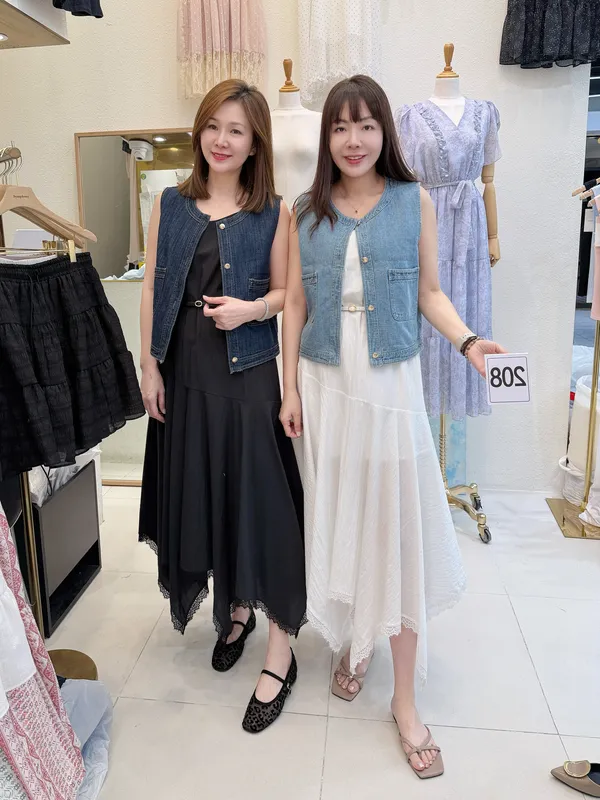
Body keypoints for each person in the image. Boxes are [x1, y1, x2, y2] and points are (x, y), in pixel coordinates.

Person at [280, 75, 506, 778]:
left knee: (398, 528)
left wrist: (469, 341)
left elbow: (430, 293)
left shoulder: (414, 202)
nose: (353, 140)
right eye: (340, 127)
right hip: (325, 385)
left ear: (386, 132)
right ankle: (356, 643)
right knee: (342, 516)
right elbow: (294, 304)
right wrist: (288, 388)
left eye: (366, 125)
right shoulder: (304, 210)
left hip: (390, 384)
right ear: (327, 137)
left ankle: (404, 699)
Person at [139, 79, 306, 734]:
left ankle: (281, 648)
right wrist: (149, 365)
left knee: (262, 503)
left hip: (248, 375)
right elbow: (152, 285)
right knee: (208, 494)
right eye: (213, 125)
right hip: (185, 372)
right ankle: (235, 609)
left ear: (255, 142)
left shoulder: (275, 212)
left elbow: (289, 295)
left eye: (236, 129)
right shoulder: (171, 204)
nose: (221, 139)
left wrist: (251, 308)